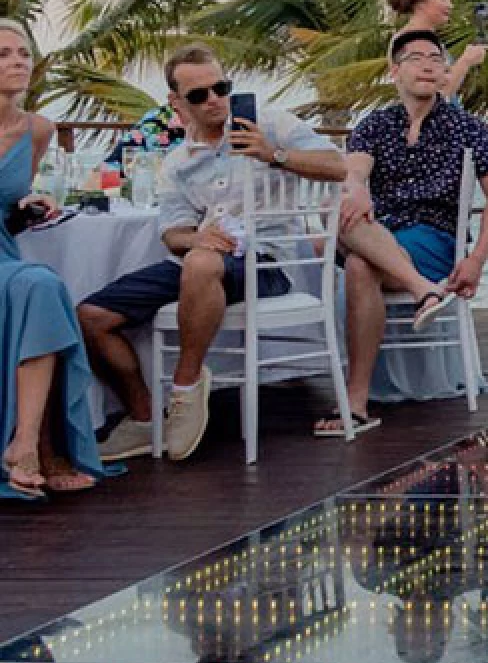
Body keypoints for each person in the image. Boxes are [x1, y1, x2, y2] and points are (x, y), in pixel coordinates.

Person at [75, 44, 348, 461]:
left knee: (202, 263)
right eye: (199, 95)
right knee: (92, 318)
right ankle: (145, 417)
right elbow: (173, 233)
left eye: (220, 88)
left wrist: (272, 154)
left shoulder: (269, 124)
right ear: (177, 102)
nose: (214, 99)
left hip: (269, 261)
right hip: (202, 260)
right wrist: (199, 239)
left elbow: (339, 166)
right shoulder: (178, 162)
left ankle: (184, 389)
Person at [334, 29, 488, 434]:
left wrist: (477, 259)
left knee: (357, 257)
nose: (429, 64)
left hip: (434, 237)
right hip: (380, 230)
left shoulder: (467, 127)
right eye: (416, 57)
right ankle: (422, 291)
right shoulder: (375, 125)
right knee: (354, 239)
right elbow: (355, 170)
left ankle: (356, 401)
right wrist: (357, 189)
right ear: (394, 70)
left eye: (436, 57)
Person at [0, 20, 106, 501]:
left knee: (40, 284)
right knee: (35, 284)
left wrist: (28, 203)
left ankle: (24, 445)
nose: (18, 61)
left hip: (5, 253)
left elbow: (11, 202)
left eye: (23, 52)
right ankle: (41, 449)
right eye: (3, 54)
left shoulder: (38, 129)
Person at [384, 0, 487, 100]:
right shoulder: (410, 40)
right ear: (420, 1)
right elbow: (436, 93)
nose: (450, 5)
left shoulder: (427, 38)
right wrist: (466, 61)